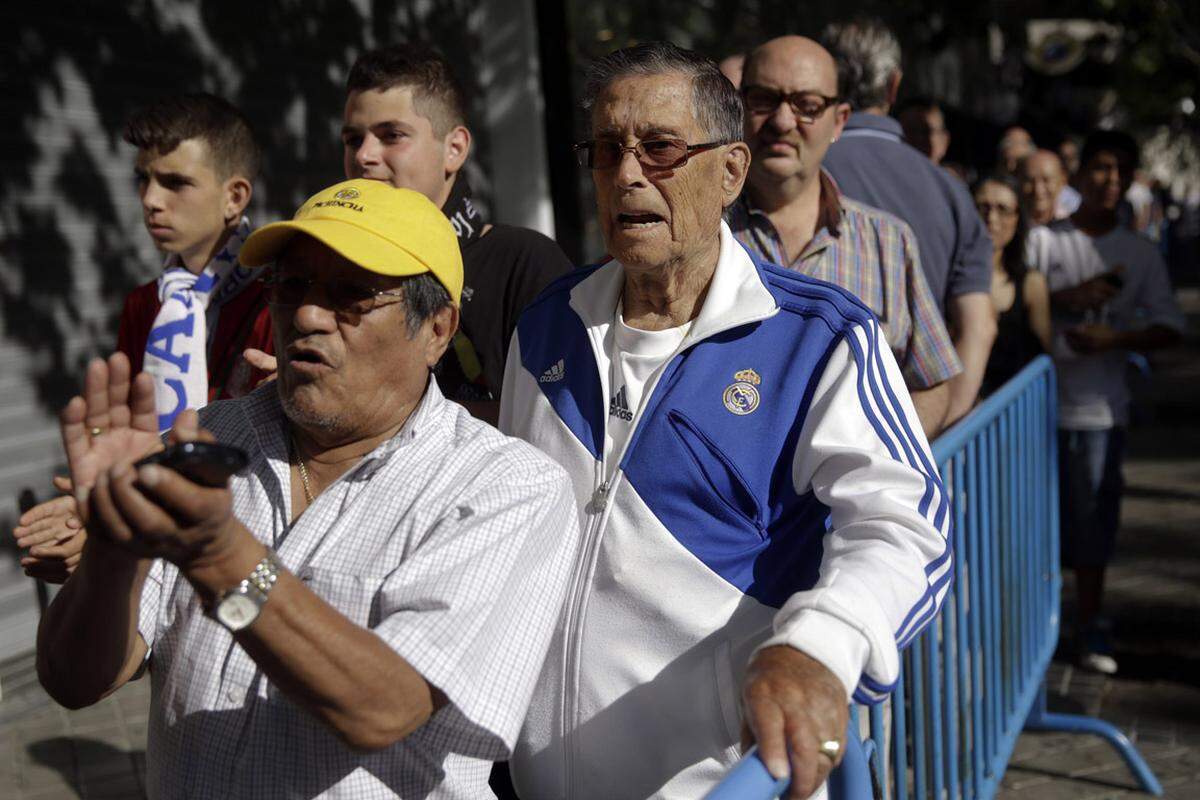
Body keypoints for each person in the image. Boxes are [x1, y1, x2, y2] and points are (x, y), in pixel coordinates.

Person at [500, 42, 951, 800]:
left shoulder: (818, 338)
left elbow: (906, 527)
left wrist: (818, 648)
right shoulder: (547, 326)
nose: (629, 174)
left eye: (661, 148)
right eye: (607, 150)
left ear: (732, 171)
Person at [35, 179, 580, 798]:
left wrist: (221, 557)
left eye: (351, 294)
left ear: (436, 327)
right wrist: (113, 549)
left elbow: (384, 708)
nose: (308, 315)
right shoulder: (207, 444)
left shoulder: (503, 486)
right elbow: (74, 682)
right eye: (291, 286)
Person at [14, 93, 273, 583]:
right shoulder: (145, 303)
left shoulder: (281, 296)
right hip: (155, 549)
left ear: (234, 197)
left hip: (248, 549)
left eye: (175, 183)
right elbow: (128, 436)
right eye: (144, 180)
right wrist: (89, 513)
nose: (151, 200)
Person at [728, 36, 961, 437]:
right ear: (740, 108)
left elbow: (933, 381)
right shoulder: (699, 237)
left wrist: (880, 461)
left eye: (807, 106)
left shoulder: (888, 242)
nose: (783, 121)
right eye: (765, 100)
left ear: (839, 121)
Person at [334, 44, 572, 417]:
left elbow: (558, 425)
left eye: (391, 135)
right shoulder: (332, 266)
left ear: (454, 149)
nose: (364, 155)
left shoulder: (523, 263)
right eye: (353, 140)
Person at [1026, 130, 1184, 674]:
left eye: (1119, 171)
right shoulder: (1044, 241)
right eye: (1098, 168)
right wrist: (1066, 300)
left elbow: (1170, 325)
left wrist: (1115, 340)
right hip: (1034, 412)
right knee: (1036, 526)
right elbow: (1015, 305)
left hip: (1099, 412)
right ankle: (1034, 626)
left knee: (1094, 527)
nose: (1108, 180)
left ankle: (1089, 624)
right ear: (1079, 174)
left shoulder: (1139, 252)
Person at [820, 19, 996, 430]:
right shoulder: (950, 192)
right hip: (919, 431)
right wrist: (940, 427)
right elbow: (980, 325)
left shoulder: (791, 176)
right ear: (894, 86)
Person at [973, 175, 1051, 395]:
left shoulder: (1031, 283)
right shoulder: (946, 278)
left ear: (1018, 219)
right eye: (982, 207)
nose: (991, 218)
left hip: (1015, 416)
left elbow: (1042, 360)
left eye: (1003, 209)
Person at [1019, 149, 1079, 227]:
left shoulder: (1076, 224)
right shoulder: (1007, 222)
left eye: (1046, 180)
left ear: (1062, 181)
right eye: (1029, 181)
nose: (1038, 190)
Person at [896, 97, 950, 166]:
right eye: (910, 130)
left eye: (926, 131)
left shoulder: (950, 176)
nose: (918, 138)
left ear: (945, 140)